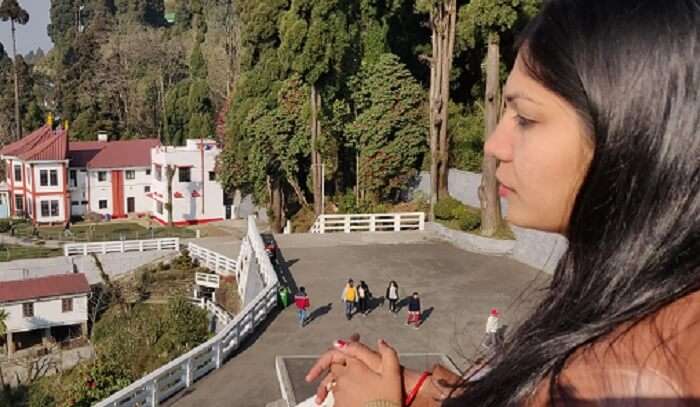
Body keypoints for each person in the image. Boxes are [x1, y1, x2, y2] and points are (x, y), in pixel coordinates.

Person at [305, 1, 700, 406]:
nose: (493, 146)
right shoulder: (656, 311)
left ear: (630, 136)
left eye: (525, 118)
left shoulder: (623, 377)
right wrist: (421, 390)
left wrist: (378, 404)